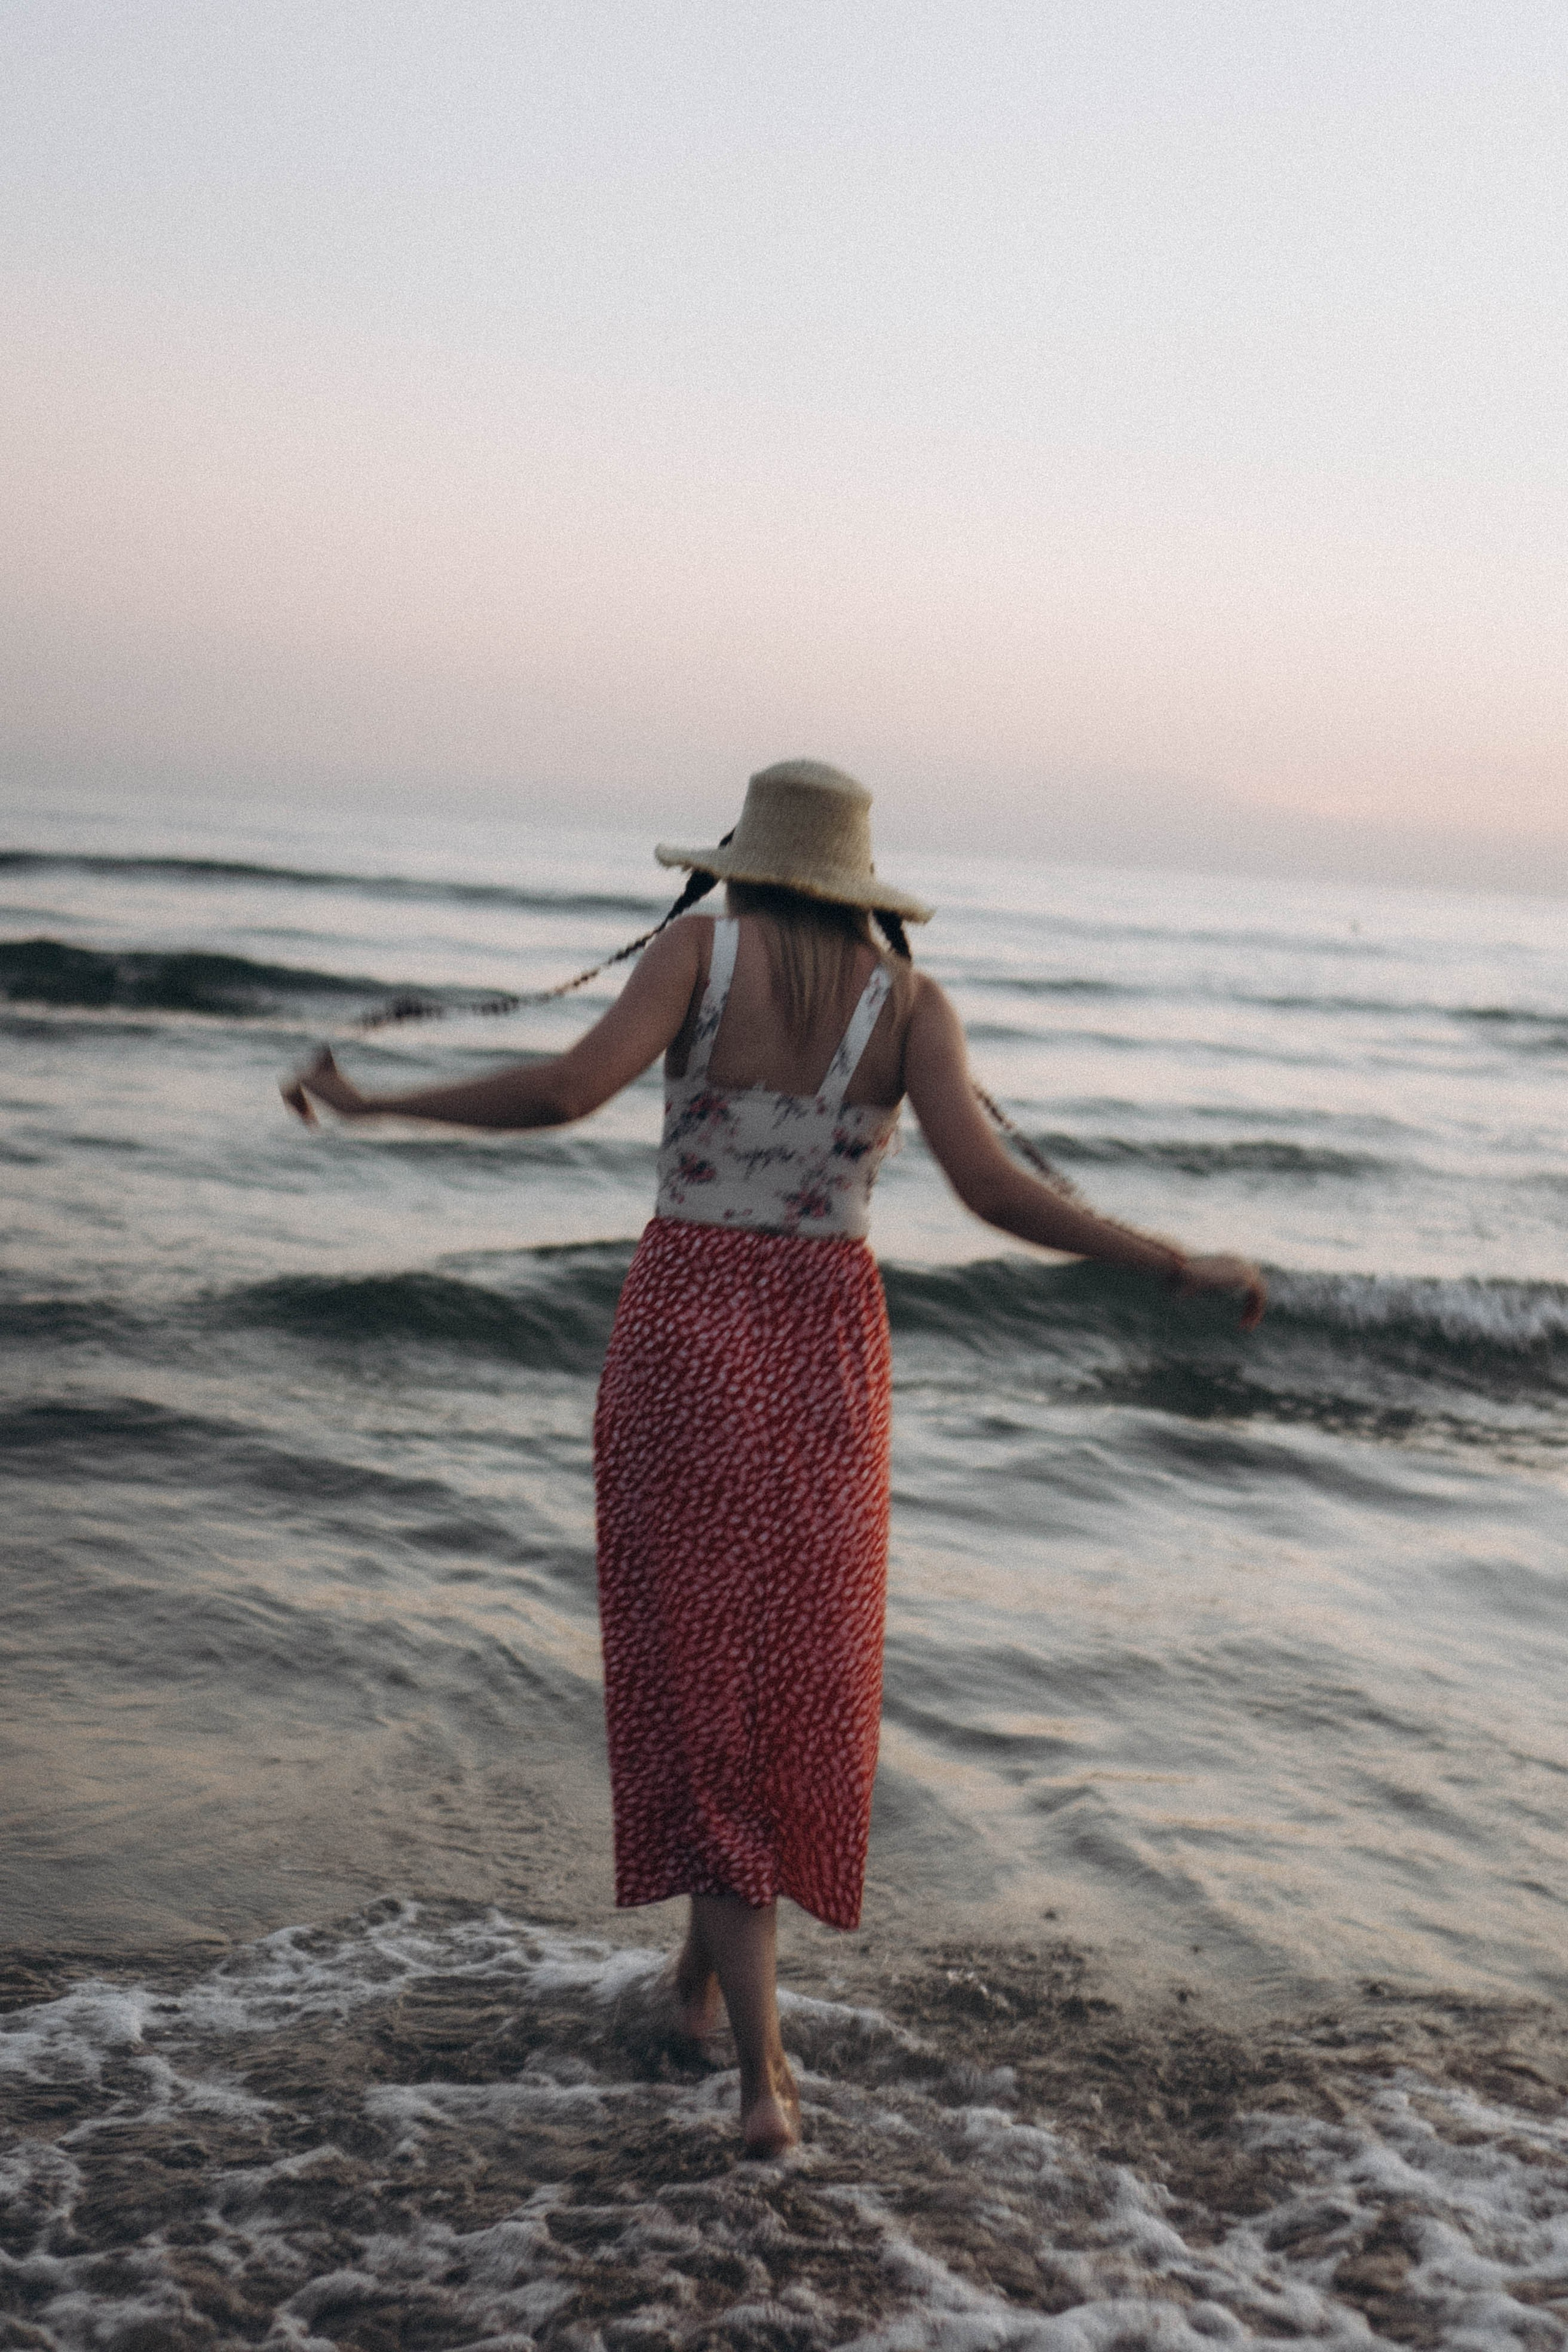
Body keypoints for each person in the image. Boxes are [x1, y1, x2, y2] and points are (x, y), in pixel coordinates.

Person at [284, 759, 1265, 2159]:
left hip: (686, 1325)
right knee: (781, 1670)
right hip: (825, 1346)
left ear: (742, 861)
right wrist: (1169, 1261)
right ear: (857, 879)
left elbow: (565, 1092)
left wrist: (377, 1102)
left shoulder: (696, 950)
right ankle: (696, 1997)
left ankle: (764, 2082)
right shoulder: (910, 1002)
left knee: (697, 1664)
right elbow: (991, 1189)